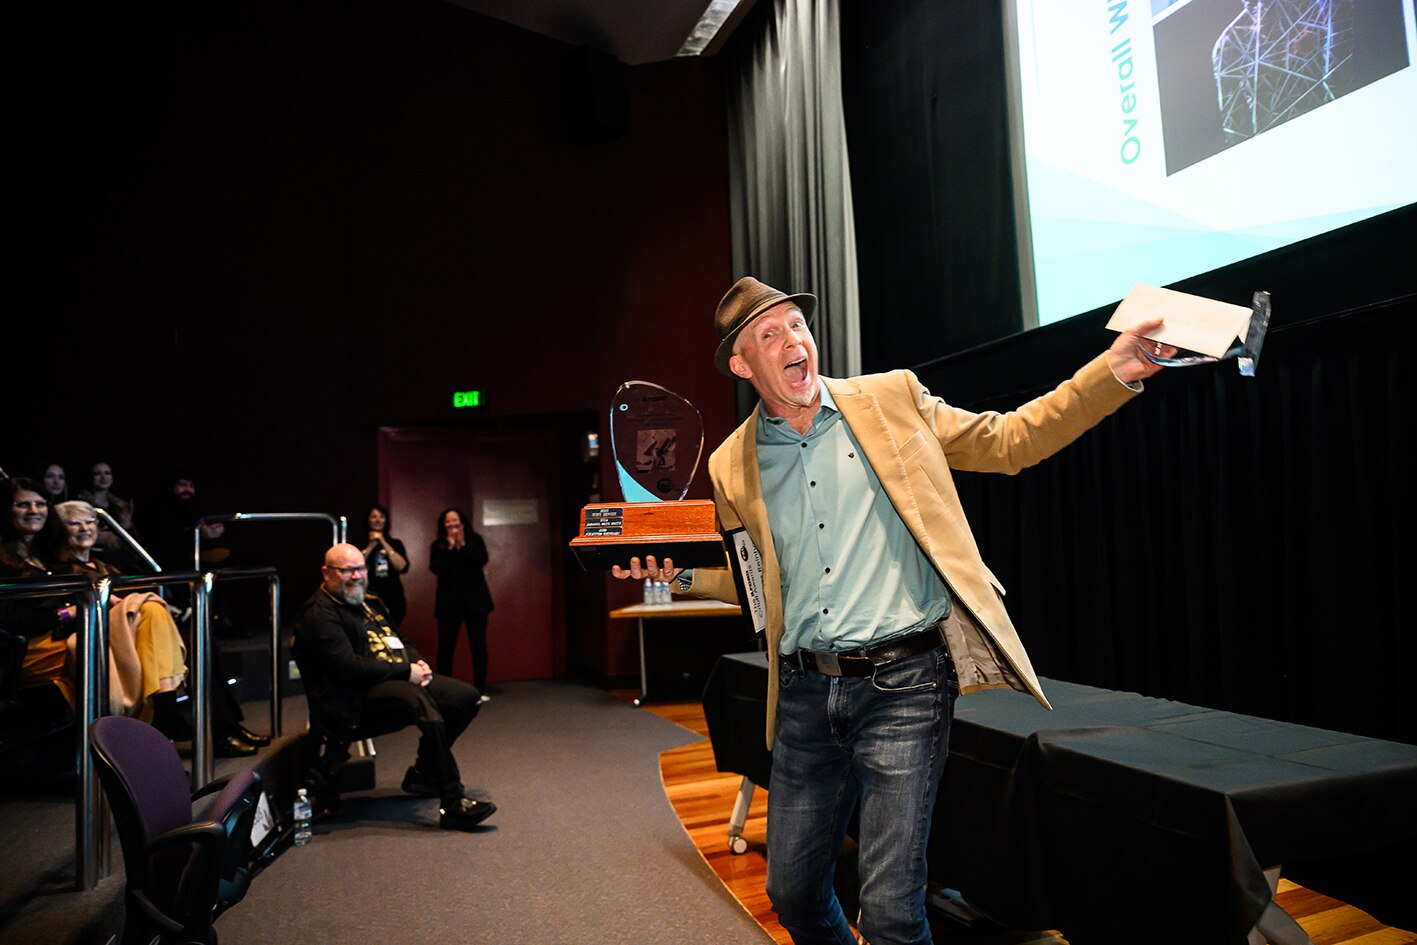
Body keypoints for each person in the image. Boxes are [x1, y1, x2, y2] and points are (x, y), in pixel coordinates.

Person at [613, 276, 1172, 945]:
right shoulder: (732, 463)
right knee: (791, 891)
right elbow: (756, 582)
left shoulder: (890, 398)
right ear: (741, 363)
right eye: (770, 333)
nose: (793, 339)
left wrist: (1112, 371)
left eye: (796, 324)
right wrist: (675, 577)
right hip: (801, 693)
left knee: (890, 911)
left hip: (904, 685)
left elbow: (1010, 440)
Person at [293, 542, 495, 831]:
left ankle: (424, 774)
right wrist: (405, 672)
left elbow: (400, 641)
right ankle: (453, 802)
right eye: (347, 570)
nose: (356, 576)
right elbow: (348, 668)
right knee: (417, 700)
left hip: (392, 679)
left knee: (466, 697)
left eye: (360, 568)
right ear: (327, 574)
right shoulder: (319, 615)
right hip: (349, 701)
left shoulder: (369, 601)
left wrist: (419, 665)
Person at [428, 508, 494, 695]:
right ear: (443, 525)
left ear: (463, 523)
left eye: (455, 521)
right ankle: (444, 689)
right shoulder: (438, 545)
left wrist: (462, 545)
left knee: (479, 645)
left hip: (476, 602)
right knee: (446, 647)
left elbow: (480, 559)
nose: (452, 525)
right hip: (448, 604)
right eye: (448, 522)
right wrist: (450, 547)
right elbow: (437, 568)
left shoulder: (475, 541)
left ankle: (480, 687)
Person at [359, 505, 410, 627]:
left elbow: (403, 567)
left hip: (392, 596)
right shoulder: (358, 542)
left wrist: (383, 542)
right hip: (367, 595)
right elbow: (355, 564)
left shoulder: (395, 543)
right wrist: (371, 546)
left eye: (381, 517)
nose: (378, 520)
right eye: (374, 516)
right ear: (368, 520)